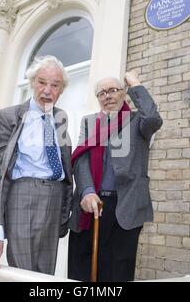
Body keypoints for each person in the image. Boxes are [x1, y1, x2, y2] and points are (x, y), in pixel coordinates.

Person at [0, 55, 73, 279]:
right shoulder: (7, 117)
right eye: (42, 82)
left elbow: (66, 168)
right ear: (32, 82)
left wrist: (65, 209)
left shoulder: (61, 118)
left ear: (61, 90)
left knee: (45, 275)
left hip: (54, 200)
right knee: (23, 273)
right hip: (22, 195)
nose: (47, 90)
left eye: (55, 85)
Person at [67, 70, 163, 281]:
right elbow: (81, 159)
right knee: (82, 268)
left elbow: (154, 119)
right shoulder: (89, 122)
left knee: (117, 272)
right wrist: (87, 191)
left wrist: (135, 83)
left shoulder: (138, 120)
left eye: (113, 90)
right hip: (90, 204)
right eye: (101, 93)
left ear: (123, 93)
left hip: (126, 205)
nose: (107, 96)